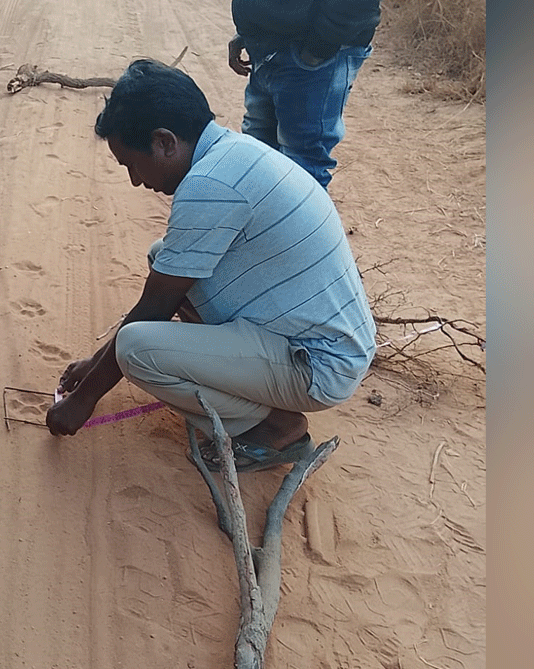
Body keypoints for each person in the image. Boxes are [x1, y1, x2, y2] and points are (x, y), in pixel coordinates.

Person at [46, 59, 376, 473]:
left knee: (137, 350)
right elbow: (164, 289)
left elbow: (152, 309)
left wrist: (83, 400)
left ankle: (275, 428)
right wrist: (94, 364)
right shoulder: (233, 153)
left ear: (165, 142)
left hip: (317, 364)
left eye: (132, 164)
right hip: (323, 344)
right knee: (162, 256)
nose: (135, 180)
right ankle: (250, 394)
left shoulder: (209, 187)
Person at [228, 0, 410, 189]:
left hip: (312, 53)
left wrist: (320, 45)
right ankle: (264, 233)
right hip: (267, 42)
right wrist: (250, 26)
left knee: (301, 172)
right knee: (256, 160)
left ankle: (297, 233)